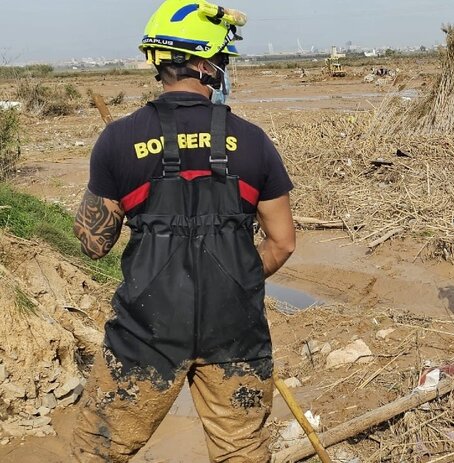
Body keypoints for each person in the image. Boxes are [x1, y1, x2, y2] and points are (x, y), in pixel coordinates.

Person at [71, 2, 296, 461]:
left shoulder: (118, 139)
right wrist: (238, 280)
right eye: (223, 59)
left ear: (160, 62)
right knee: (243, 453)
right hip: (236, 331)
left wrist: (115, 173)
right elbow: (283, 242)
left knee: (97, 451)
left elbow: (93, 244)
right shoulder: (253, 141)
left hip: (145, 331)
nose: (225, 68)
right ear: (203, 62)